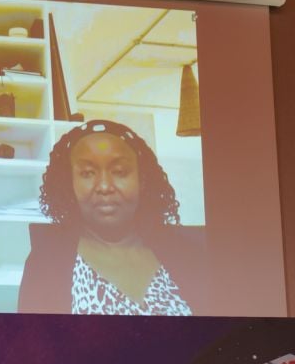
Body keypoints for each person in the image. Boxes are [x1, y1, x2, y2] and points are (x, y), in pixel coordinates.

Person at [18, 120, 201, 315]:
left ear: (142, 180)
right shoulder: (45, 264)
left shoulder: (188, 255)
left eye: (119, 172)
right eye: (87, 173)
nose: (104, 186)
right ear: (69, 184)